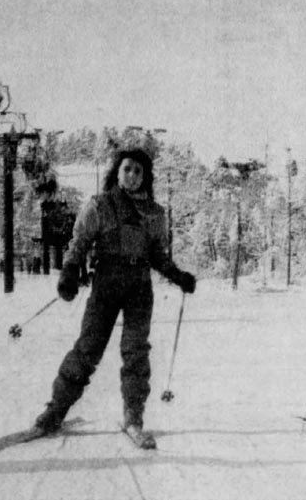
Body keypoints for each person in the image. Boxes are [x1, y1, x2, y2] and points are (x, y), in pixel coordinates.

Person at [32, 148, 196, 449]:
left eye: (138, 171)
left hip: (139, 289)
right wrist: (69, 271)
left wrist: (177, 275)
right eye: (127, 169)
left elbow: (158, 255)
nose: (132, 175)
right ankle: (55, 411)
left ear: (145, 177)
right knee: (88, 349)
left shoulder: (155, 214)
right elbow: (79, 242)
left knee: (136, 353)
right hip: (106, 285)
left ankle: (134, 418)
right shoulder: (100, 205)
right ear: (117, 172)